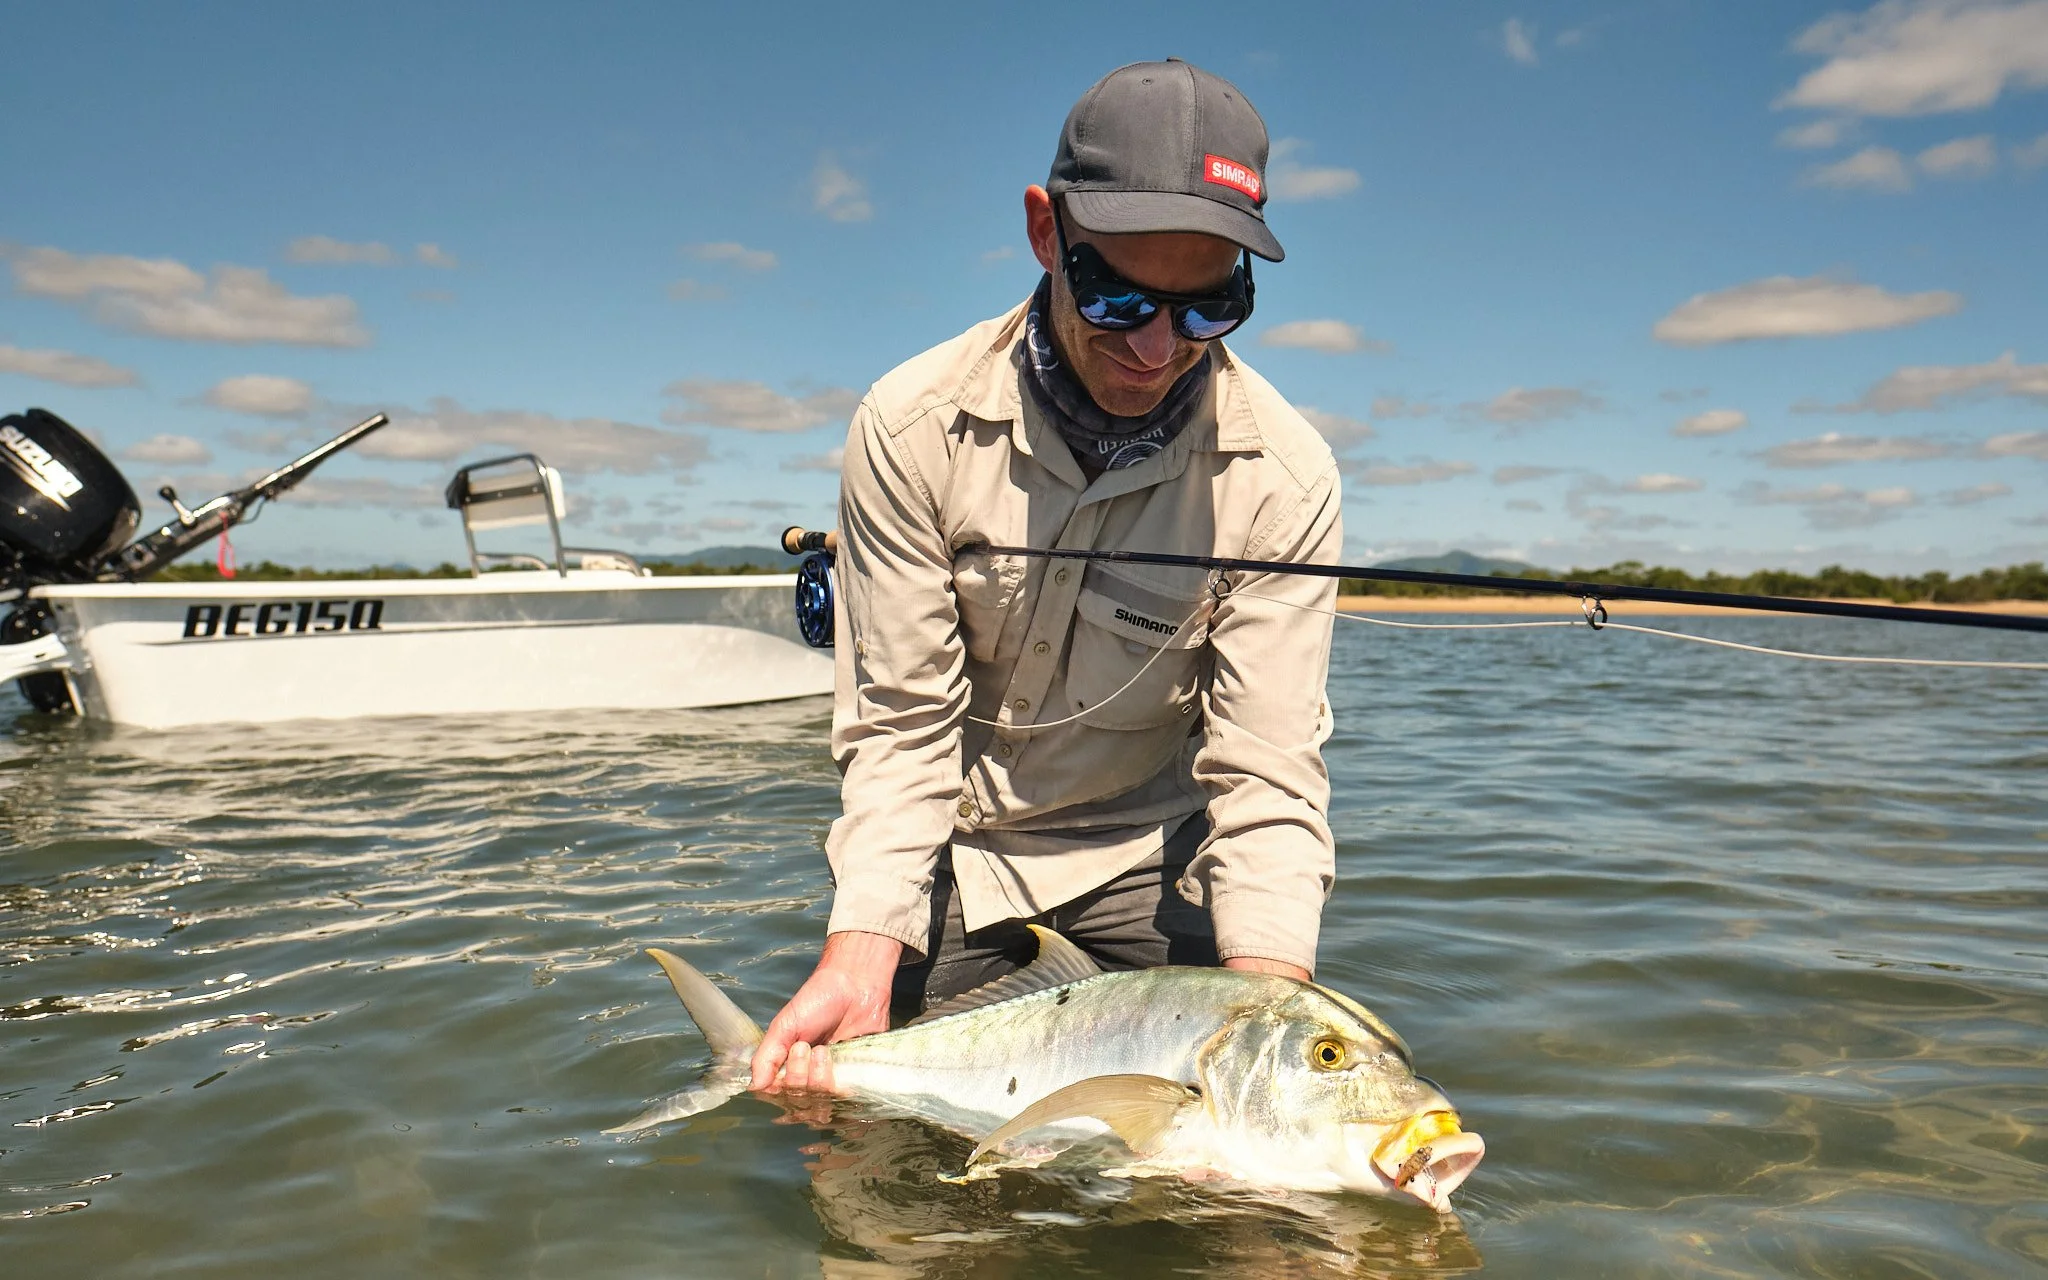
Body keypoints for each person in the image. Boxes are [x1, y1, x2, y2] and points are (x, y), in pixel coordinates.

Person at [752, 58, 1342, 1094]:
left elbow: (1265, 775)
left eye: (1209, 308)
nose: (1158, 348)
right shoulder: (908, 424)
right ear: (1044, 231)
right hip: (958, 849)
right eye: (1117, 296)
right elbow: (900, 729)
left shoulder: (1288, 479)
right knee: (867, 1150)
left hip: (1147, 857)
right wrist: (860, 948)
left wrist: (1264, 1031)